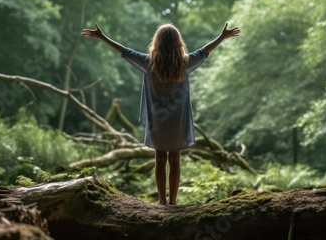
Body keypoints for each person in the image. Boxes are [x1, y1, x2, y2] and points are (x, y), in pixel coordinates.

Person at [81, 22, 240, 205]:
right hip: (177, 122)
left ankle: (162, 202)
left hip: (158, 121)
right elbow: (204, 51)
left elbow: (124, 52)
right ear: (178, 43)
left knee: (159, 159)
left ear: (157, 42)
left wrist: (102, 37)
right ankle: (172, 201)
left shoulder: (149, 63)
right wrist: (221, 36)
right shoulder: (185, 63)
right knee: (175, 159)